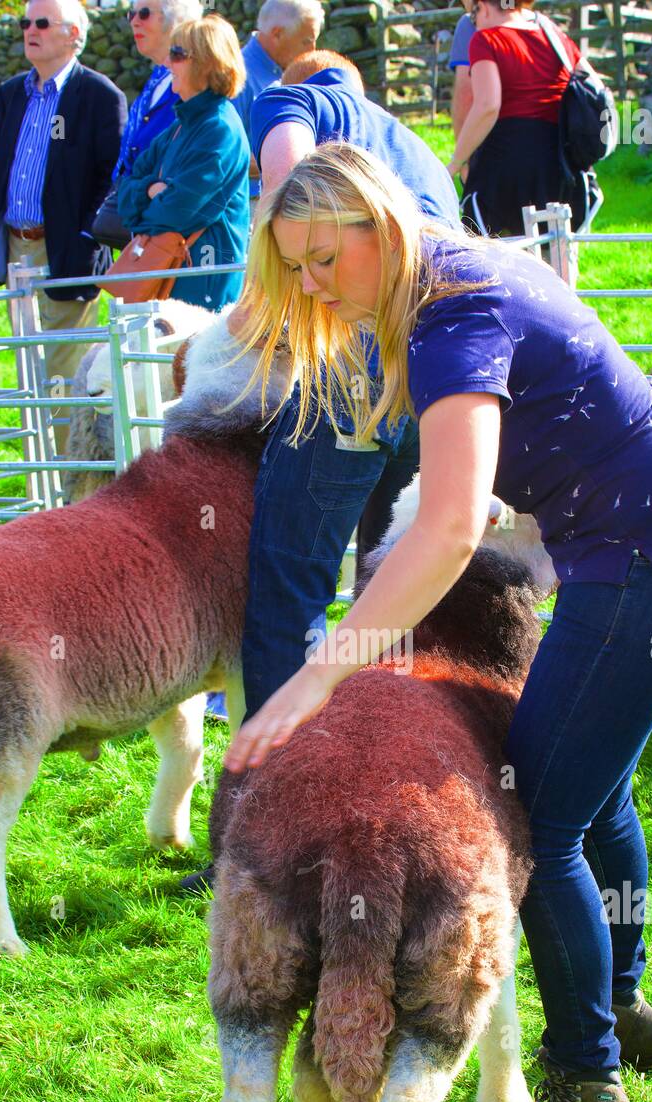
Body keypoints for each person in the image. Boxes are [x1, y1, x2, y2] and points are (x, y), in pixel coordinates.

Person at [216, 142, 652, 1102]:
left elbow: (450, 528)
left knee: (538, 824)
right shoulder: (456, 274)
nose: (316, 285)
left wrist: (320, 672)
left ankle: (587, 1092)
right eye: (298, 269)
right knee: (594, 797)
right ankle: (620, 1000)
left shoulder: (448, 312)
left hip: (646, 566)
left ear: (379, 224)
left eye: (327, 259)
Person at [176, 50, 461, 893]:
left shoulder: (289, 102)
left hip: (356, 366)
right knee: (401, 586)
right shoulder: (413, 144)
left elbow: (289, 184)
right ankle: (401, 822)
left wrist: (279, 304)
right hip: (439, 368)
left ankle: (267, 841)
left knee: (288, 584)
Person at [0, 0, 127, 456]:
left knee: (62, 373)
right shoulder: (11, 92)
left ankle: (68, 483)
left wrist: (82, 239)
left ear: (74, 34)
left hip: (65, 255)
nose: (29, 30)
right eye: (24, 23)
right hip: (16, 249)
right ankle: (40, 481)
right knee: (26, 369)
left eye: (41, 23)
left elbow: (109, 178)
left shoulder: (98, 95)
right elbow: (1, 167)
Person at [116, 13, 249, 311]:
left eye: (177, 55)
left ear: (207, 62)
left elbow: (175, 212)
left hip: (201, 291)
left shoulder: (220, 129)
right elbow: (123, 196)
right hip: (171, 282)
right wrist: (152, 190)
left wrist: (148, 199)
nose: (166, 63)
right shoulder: (179, 127)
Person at [446, 0, 600, 239]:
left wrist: (455, 163)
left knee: (502, 260)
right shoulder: (555, 37)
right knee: (558, 255)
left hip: (506, 172)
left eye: (472, 15)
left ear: (483, 7)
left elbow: (487, 106)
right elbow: (594, 86)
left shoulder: (486, 40)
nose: (472, 23)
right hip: (561, 169)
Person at [231, 0, 325, 201]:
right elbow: (221, 154)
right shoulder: (237, 77)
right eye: (307, 41)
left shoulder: (282, 72)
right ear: (277, 34)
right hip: (249, 205)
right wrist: (293, 161)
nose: (313, 50)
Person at [113, 0, 203, 182]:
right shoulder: (158, 76)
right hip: (130, 201)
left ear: (177, 18)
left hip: (162, 203)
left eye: (144, 13)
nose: (134, 22)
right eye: (132, 14)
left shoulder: (195, 82)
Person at [448, 0, 475, 138]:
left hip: (496, 148)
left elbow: (466, 96)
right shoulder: (544, 26)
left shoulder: (470, 24)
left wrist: (462, 156)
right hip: (545, 149)